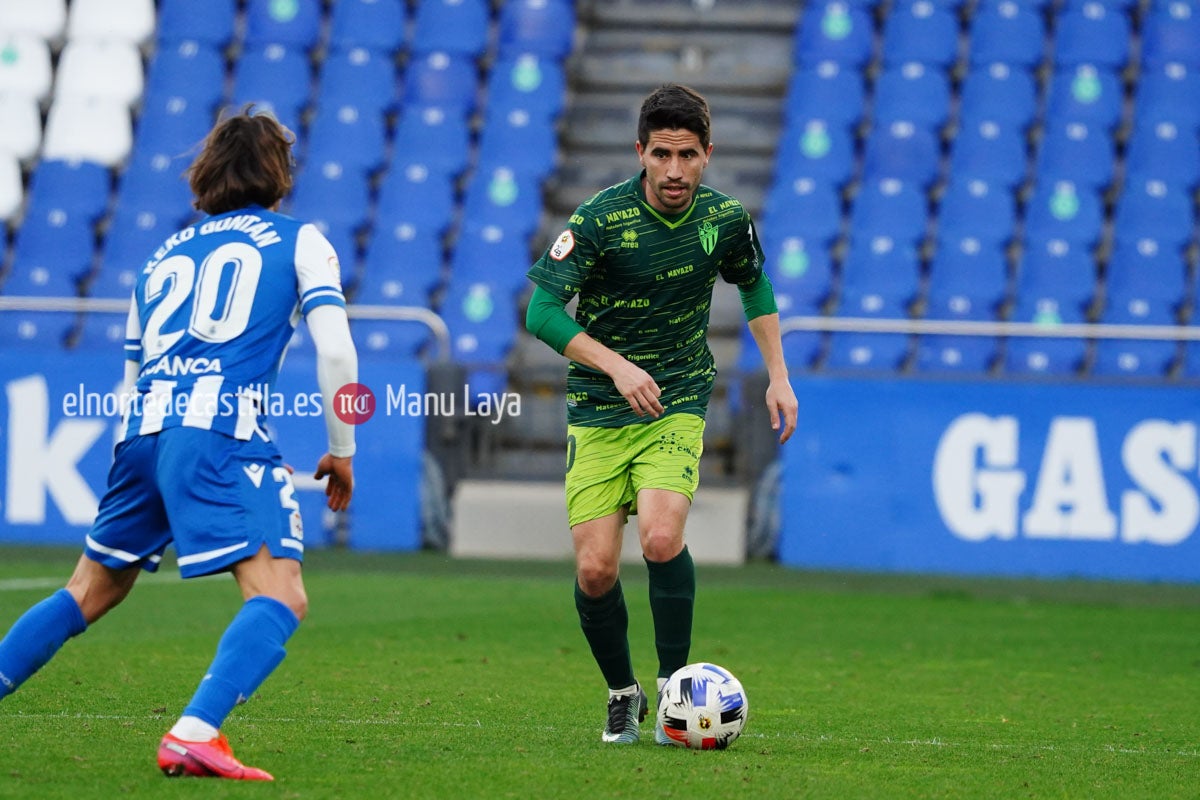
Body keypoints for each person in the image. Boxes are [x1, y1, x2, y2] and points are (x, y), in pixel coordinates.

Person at [0, 107, 358, 780]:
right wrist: (343, 448)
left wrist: (135, 466)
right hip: (218, 430)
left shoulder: (161, 257)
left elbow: (132, 381)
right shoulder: (299, 240)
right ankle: (195, 732)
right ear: (277, 174)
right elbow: (336, 351)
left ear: (206, 175)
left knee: (89, 590)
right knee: (281, 594)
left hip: (142, 435)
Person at [525, 84, 799, 744]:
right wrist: (615, 366)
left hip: (676, 397)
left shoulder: (726, 219)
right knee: (595, 570)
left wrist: (779, 377)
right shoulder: (599, 220)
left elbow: (754, 284)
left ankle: (678, 691)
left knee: (659, 537)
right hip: (598, 407)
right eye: (661, 155)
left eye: (687, 156)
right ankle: (624, 691)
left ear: (708, 154)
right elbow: (540, 313)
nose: (674, 171)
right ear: (640, 153)